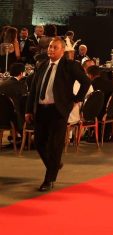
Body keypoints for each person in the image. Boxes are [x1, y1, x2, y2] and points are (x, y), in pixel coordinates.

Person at [26, 37, 90, 190]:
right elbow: (33, 89)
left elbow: (86, 82)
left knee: (55, 145)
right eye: (50, 46)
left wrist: (76, 100)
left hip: (58, 110)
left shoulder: (70, 65)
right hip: (41, 110)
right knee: (39, 142)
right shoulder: (42, 65)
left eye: (55, 47)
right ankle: (54, 164)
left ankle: (49, 180)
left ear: (62, 50)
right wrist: (28, 109)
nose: (51, 49)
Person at [0, 62, 28, 139]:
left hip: (2, 116)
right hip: (13, 118)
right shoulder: (21, 86)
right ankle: (24, 139)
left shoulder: (2, 84)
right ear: (21, 73)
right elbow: (24, 102)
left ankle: (15, 136)